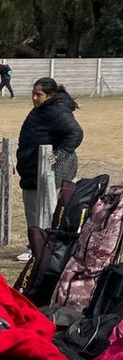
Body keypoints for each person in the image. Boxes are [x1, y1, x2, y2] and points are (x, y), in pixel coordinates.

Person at [16, 78, 84, 255]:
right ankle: (38, 246)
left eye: (39, 94)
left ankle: (40, 249)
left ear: (50, 95)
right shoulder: (45, 108)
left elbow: (75, 133)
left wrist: (59, 155)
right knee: (34, 211)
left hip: (45, 172)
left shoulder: (55, 110)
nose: (34, 98)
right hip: (32, 170)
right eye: (33, 94)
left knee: (43, 212)